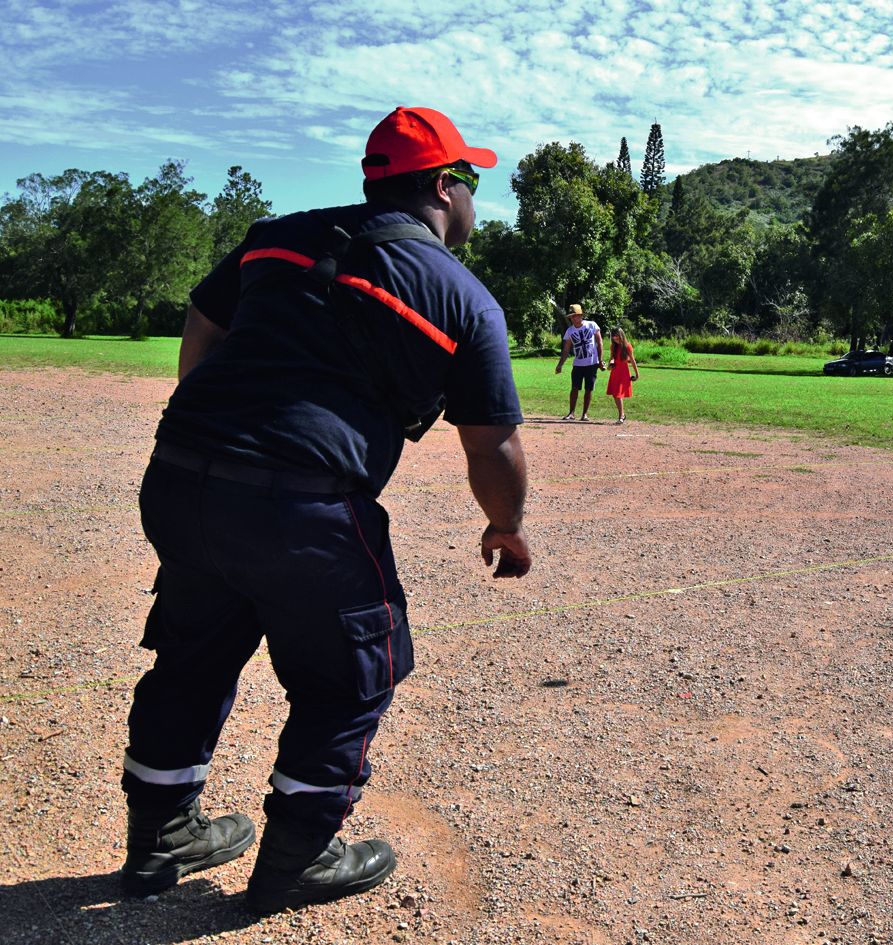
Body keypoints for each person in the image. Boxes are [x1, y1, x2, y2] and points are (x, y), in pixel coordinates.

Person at [118, 106, 533, 916]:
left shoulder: (278, 236)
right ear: (445, 187)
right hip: (301, 507)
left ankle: (159, 836)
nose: (476, 203)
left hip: (181, 478)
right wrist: (506, 524)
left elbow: (205, 319)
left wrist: (211, 417)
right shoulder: (463, 296)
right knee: (349, 678)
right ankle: (297, 858)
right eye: (473, 183)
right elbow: (491, 445)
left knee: (192, 655)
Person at [554, 304, 603, 420]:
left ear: (581, 315)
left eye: (576, 316)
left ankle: (584, 414)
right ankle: (571, 413)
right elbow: (566, 350)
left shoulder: (591, 325)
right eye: (571, 316)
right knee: (574, 388)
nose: (574, 318)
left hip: (591, 363)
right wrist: (560, 364)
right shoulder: (570, 331)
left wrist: (600, 360)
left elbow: (599, 343)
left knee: (588, 389)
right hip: (578, 365)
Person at [604, 327, 640, 424]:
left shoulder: (627, 346)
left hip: (623, 373)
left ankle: (621, 417)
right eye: (613, 336)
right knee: (615, 395)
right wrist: (610, 365)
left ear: (621, 335)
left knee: (618, 394)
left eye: (617, 336)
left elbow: (632, 361)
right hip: (615, 372)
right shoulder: (613, 346)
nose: (615, 338)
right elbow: (612, 358)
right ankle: (622, 414)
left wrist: (637, 374)